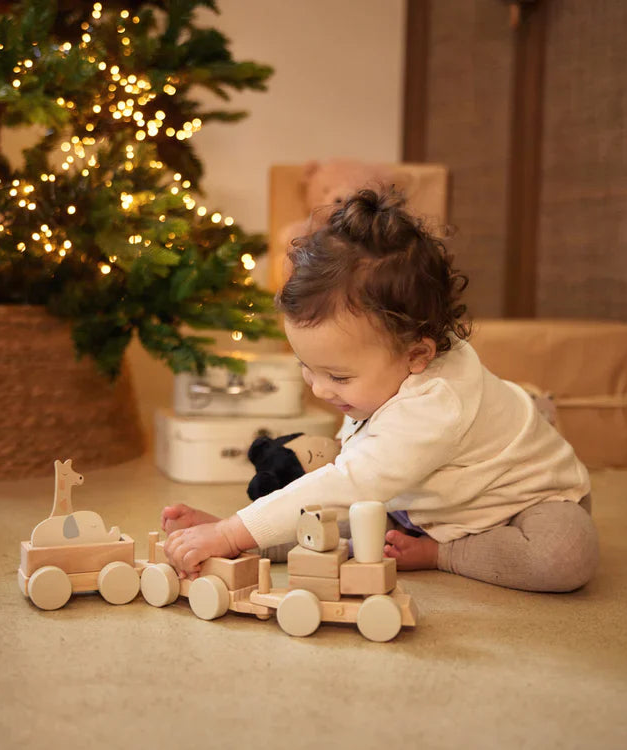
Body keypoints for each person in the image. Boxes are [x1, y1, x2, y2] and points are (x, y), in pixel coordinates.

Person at [162, 188, 598, 592]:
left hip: (520, 504)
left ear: (417, 355)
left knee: (561, 556)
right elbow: (345, 486)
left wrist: (228, 531)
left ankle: (445, 554)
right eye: (306, 368)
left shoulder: (436, 404)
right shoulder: (386, 367)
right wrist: (235, 531)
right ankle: (246, 543)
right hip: (423, 504)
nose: (319, 389)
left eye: (338, 377)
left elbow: (348, 483)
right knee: (349, 521)